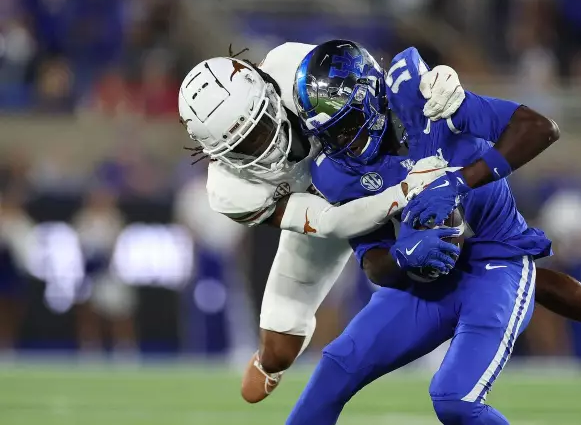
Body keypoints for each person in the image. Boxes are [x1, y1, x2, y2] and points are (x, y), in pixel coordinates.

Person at [286, 40, 581, 424]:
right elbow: (372, 260)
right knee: (337, 367)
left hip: (494, 262)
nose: (340, 144)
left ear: (371, 97)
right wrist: (401, 258)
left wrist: (460, 180)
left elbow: (539, 129)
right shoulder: (336, 173)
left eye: (345, 127)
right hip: (426, 279)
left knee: (453, 399)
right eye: (328, 134)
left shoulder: (431, 99)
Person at [177, 43, 467, 402]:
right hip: (319, 207)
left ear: (268, 90)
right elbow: (330, 222)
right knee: (279, 350)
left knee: (441, 233)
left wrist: (433, 85)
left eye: (261, 127)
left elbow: (370, 85)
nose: (264, 146)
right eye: (244, 146)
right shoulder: (232, 192)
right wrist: (402, 193)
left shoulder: (291, 65)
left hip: (372, 164)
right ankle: (268, 362)